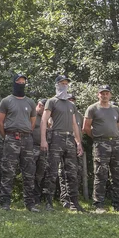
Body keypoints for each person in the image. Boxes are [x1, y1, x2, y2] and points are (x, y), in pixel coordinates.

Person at [40, 75, 85, 212]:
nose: (64, 86)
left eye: (66, 83)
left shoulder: (71, 104)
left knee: (72, 172)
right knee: (52, 171)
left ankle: (74, 203)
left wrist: (78, 142)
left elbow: (74, 124)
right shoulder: (51, 102)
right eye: (61, 83)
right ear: (56, 85)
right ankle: (48, 203)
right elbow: (44, 121)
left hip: (69, 139)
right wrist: (43, 140)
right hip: (56, 138)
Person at [0, 74, 39, 211]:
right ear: (14, 83)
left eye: (23, 82)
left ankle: (30, 204)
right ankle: (5, 203)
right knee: (8, 171)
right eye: (18, 81)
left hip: (27, 139)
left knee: (29, 172)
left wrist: (25, 132)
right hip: (11, 138)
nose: (21, 84)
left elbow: (32, 122)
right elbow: (0, 122)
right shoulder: (6, 101)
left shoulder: (30, 102)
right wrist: (7, 136)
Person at [84, 85, 119, 214]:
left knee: (117, 175)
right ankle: (99, 204)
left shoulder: (115, 109)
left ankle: (118, 204)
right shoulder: (93, 108)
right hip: (100, 144)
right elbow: (86, 127)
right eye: (102, 93)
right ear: (98, 95)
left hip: (115, 144)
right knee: (100, 174)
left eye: (107, 93)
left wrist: (118, 141)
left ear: (110, 95)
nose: (104, 95)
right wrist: (97, 138)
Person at [59, 94, 86, 209]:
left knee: (75, 173)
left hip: (76, 146)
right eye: (69, 100)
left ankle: (74, 198)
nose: (72, 102)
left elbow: (82, 130)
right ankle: (65, 199)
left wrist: (79, 143)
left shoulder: (78, 115)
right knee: (63, 172)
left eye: (73, 100)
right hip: (63, 143)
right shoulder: (62, 112)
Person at [32, 98, 48, 205]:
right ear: (39, 105)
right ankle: (30, 197)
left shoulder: (47, 116)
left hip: (43, 149)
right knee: (30, 173)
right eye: (44, 107)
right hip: (31, 147)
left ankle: (37, 198)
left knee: (40, 174)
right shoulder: (31, 114)